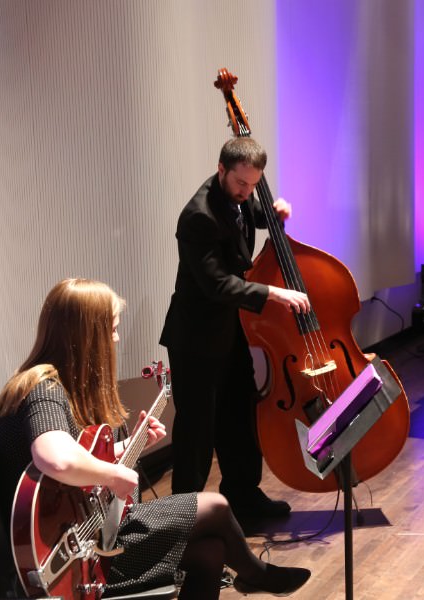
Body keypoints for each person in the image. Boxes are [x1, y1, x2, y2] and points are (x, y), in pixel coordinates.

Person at [0, 278, 311, 599]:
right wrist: (112, 473)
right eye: (112, 329)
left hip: (90, 533)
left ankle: (256, 575)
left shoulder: (55, 385)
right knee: (216, 505)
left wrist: (130, 445)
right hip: (73, 556)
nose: (117, 339)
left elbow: (74, 458)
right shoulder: (43, 389)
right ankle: (256, 575)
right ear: (88, 335)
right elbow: (56, 459)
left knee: (211, 551)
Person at [159, 137, 310, 518]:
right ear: (221, 170)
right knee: (197, 430)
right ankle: (184, 516)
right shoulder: (198, 216)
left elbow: (249, 213)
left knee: (239, 415)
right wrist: (273, 292)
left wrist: (274, 211)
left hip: (232, 330)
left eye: (253, 185)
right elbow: (217, 285)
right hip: (196, 337)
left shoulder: (237, 197)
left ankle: (243, 497)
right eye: (241, 183)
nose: (246, 191)